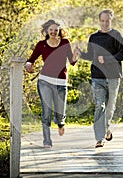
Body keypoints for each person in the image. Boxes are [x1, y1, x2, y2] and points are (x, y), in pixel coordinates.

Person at [76, 9, 123, 148]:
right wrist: (81, 54)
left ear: (111, 20)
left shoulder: (117, 35)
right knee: (100, 105)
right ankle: (100, 138)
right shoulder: (94, 37)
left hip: (113, 77)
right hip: (97, 76)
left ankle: (106, 129)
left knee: (110, 108)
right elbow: (91, 56)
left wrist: (107, 59)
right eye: (102, 21)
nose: (104, 23)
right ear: (99, 21)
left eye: (107, 21)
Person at [25, 19, 79, 148]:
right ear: (46, 31)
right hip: (45, 81)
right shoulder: (41, 45)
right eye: (51, 30)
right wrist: (28, 64)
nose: (54, 32)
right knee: (46, 112)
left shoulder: (65, 43)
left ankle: (60, 123)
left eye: (56, 30)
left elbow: (72, 62)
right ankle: (47, 141)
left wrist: (76, 55)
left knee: (60, 112)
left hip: (61, 82)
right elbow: (31, 59)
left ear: (59, 31)